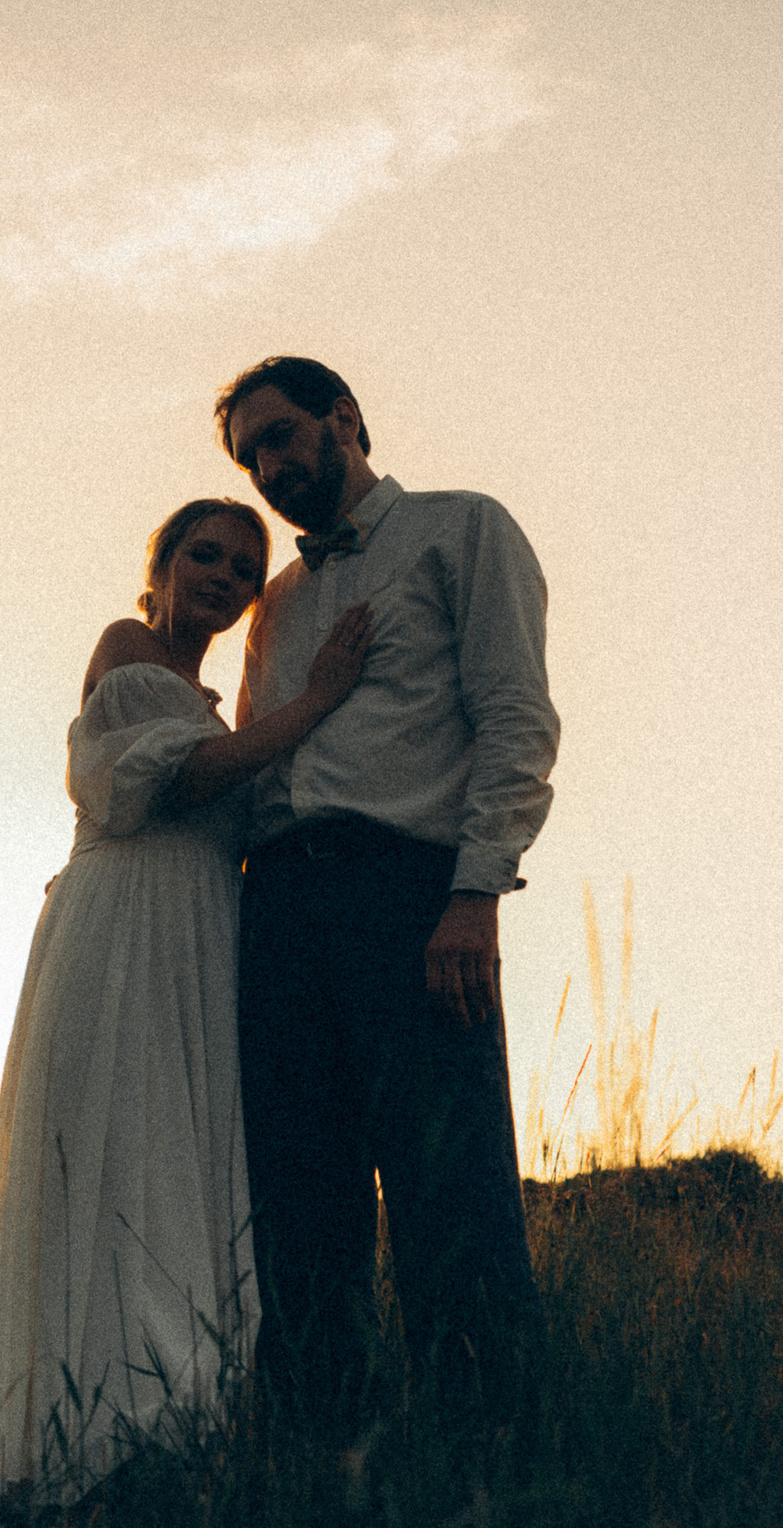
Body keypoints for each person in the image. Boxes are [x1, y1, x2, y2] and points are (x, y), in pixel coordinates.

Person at [0, 498, 373, 1506]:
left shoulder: (212, 694)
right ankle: (75, 1443)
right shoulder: (127, 647)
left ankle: (165, 1433)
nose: (221, 576)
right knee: (113, 1155)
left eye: (241, 565)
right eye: (203, 554)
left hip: (196, 934)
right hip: (124, 923)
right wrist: (314, 702)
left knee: (177, 1164)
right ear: (162, 561)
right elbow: (182, 781)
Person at [218, 355, 560, 1440]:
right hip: (273, 910)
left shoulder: (464, 529)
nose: (268, 466)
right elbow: (255, 763)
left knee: (447, 1188)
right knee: (297, 1200)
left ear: (344, 417)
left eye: (278, 436)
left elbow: (515, 718)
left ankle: (484, 1459)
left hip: (406, 895)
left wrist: (473, 894)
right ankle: (323, 1458)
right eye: (249, 455)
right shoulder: (272, 608)